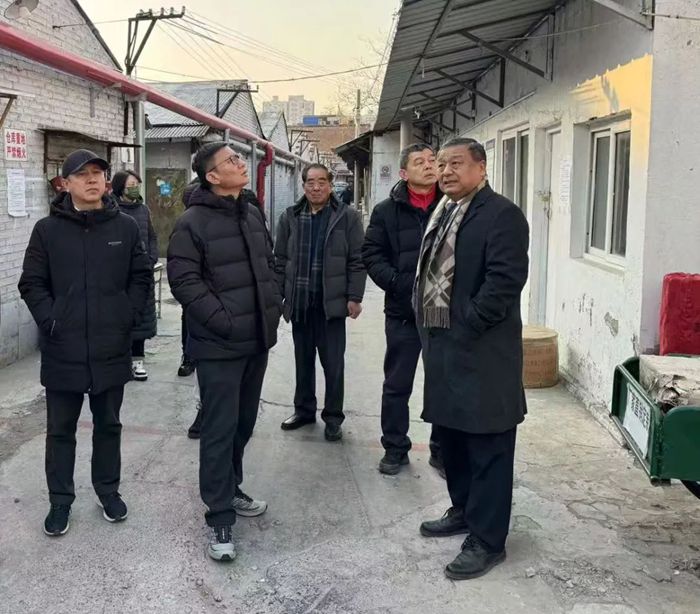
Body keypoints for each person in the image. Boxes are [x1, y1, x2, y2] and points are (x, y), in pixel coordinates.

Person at [18, 149, 152, 536]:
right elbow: (31, 282)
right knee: (61, 430)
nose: (93, 179)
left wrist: (126, 315)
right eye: (82, 174)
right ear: (65, 184)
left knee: (109, 425)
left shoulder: (125, 227)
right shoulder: (47, 230)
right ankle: (60, 501)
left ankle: (108, 491)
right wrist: (52, 320)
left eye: (98, 172)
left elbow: (141, 276)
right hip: (64, 347)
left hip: (111, 346)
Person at [416, 137, 529, 581]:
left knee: (488, 447)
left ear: (481, 168)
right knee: (453, 441)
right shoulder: (444, 210)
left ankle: (487, 540)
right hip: (444, 349)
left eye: (456, 164)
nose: (445, 171)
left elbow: (504, 282)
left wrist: (468, 323)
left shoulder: (501, 215)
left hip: (483, 353)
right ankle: (463, 510)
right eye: (441, 164)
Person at [167, 142, 281, 562]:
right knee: (219, 429)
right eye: (231, 160)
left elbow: (269, 263)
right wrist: (224, 320)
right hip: (219, 345)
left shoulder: (250, 212)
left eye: (239, 157)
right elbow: (184, 281)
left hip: (257, 340)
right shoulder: (191, 222)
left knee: (243, 423)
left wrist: (274, 303)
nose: (240, 163)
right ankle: (219, 516)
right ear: (212, 176)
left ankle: (231, 488)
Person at [362, 143, 445, 476]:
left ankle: (442, 449)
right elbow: (372, 255)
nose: (429, 165)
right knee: (397, 384)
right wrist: (398, 282)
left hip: (444, 312)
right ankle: (395, 448)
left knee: (443, 383)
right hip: (403, 312)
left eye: (432, 160)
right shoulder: (386, 211)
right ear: (403, 172)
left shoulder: (452, 206)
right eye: (419, 161)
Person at [274, 164, 366, 442]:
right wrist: (278, 295)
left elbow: (357, 260)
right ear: (303, 186)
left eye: (322, 182)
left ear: (330, 184)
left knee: (333, 365)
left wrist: (354, 296)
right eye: (310, 182)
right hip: (300, 303)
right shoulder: (290, 216)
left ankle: (333, 418)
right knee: (303, 363)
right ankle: (303, 411)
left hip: (331, 306)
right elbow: (280, 260)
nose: (316, 187)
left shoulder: (347, 217)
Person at [111, 170, 158, 381]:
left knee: (141, 318)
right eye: (131, 185)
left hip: (142, 272)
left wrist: (151, 258)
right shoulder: (111, 210)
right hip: (119, 274)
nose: (135, 188)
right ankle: (120, 360)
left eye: (136, 184)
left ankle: (138, 360)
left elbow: (152, 237)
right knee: (120, 318)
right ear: (120, 187)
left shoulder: (143, 209)